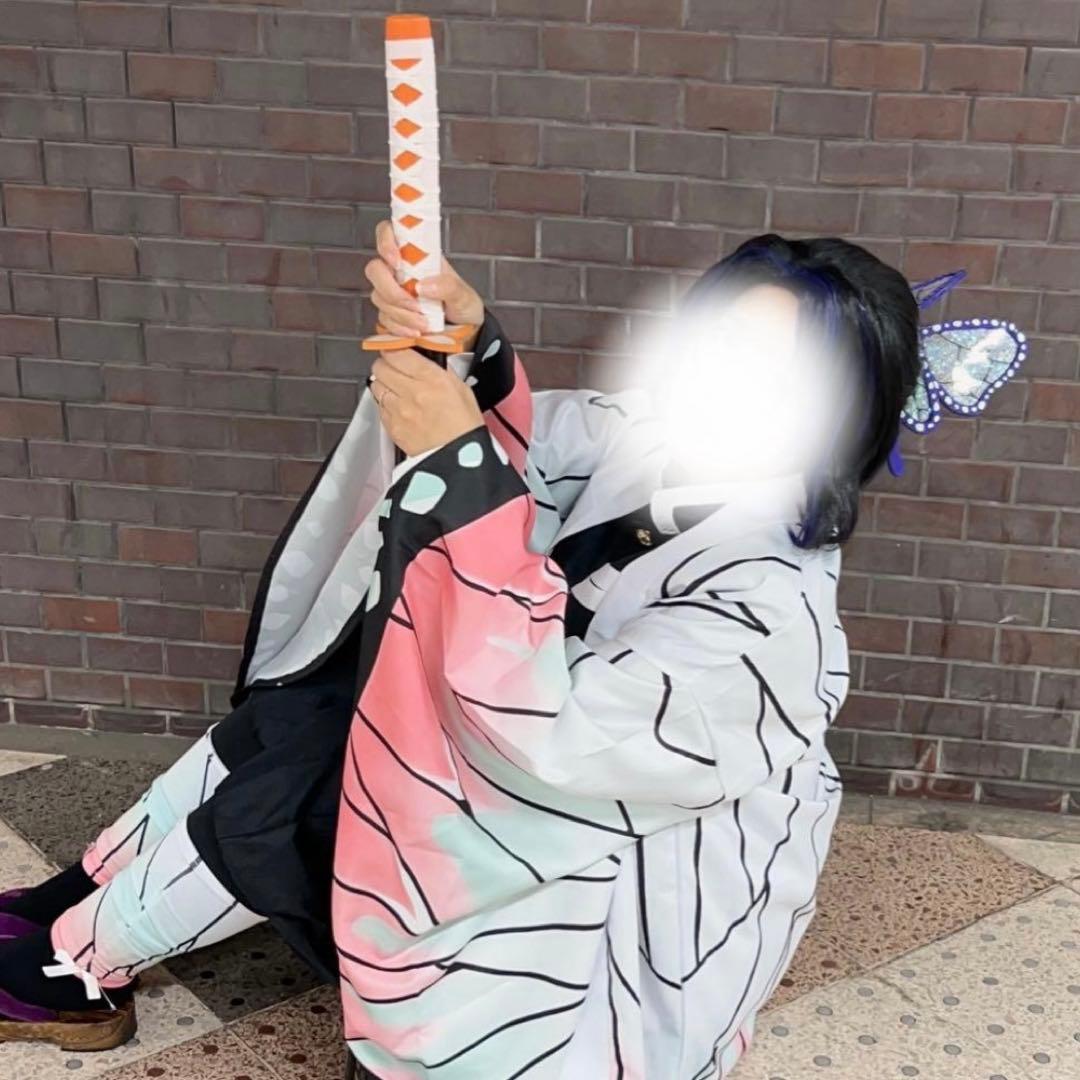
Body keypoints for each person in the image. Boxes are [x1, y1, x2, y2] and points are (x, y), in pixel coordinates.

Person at [0, 226, 920, 1077]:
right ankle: (81, 896)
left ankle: (77, 962)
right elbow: (519, 448)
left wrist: (458, 463)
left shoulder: (775, 613)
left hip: (604, 910)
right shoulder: (653, 437)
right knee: (325, 693)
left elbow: (558, 744)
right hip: (524, 757)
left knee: (337, 768)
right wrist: (463, 347)